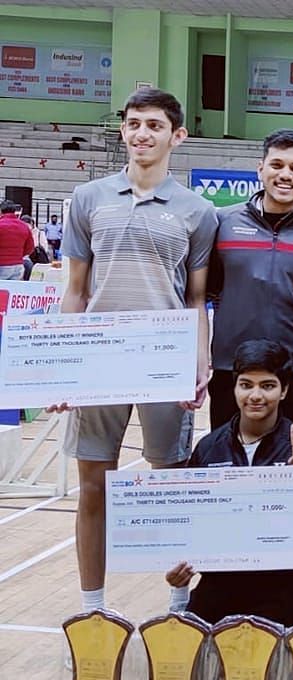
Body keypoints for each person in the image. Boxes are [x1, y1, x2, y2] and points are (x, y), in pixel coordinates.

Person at [55, 87, 217, 612]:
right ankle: (92, 608)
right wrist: (65, 367)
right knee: (93, 486)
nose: (142, 134)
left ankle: (176, 606)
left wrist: (199, 364)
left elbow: (195, 298)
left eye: (154, 125)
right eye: (134, 124)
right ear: (123, 131)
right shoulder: (88, 199)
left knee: (170, 487)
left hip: (162, 363)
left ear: (177, 136)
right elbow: (75, 291)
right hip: (100, 359)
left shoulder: (198, 211)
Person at [206, 128, 293, 461]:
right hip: (234, 372)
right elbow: (204, 293)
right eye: (277, 165)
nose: (285, 175)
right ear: (261, 169)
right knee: (229, 470)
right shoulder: (221, 224)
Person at [164, 340, 293, 625]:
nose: (255, 395)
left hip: (282, 585)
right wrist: (178, 576)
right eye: (246, 385)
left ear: (284, 390)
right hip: (222, 583)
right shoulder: (209, 447)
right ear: (235, 388)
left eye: (268, 385)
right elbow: (190, 524)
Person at [0, 200, 32, 280]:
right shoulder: (24, 226)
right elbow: (30, 247)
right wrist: (18, 255)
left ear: (1, 211)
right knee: (13, 290)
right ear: (14, 211)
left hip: (2, 264)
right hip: (18, 265)